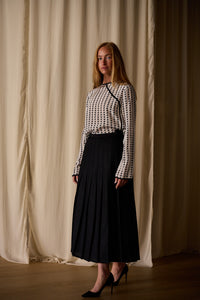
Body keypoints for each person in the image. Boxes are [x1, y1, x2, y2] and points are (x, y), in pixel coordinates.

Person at [71, 42, 140, 298]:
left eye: (108, 57)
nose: (103, 62)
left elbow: (130, 132)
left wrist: (125, 168)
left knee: (113, 213)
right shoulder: (93, 93)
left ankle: (116, 265)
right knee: (94, 214)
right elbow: (85, 132)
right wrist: (78, 163)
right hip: (92, 154)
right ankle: (104, 271)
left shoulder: (125, 90)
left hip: (113, 153)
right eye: (99, 58)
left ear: (116, 60)